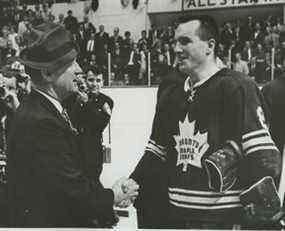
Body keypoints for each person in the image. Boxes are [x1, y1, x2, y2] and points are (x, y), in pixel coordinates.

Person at [129, 15, 281, 229]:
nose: (176, 49)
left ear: (210, 46)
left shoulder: (237, 87)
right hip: (175, 218)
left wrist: (255, 219)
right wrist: (132, 182)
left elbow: (264, 157)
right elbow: (156, 151)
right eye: (175, 42)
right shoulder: (170, 92)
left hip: (222, 221)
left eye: (185, 41)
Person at [7, 22, 138, 228]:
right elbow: (70, 191)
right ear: (48, 74)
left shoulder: (46, 109)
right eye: (71, 64)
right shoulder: (40, 122)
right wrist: (115, 194)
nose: (79, 70)